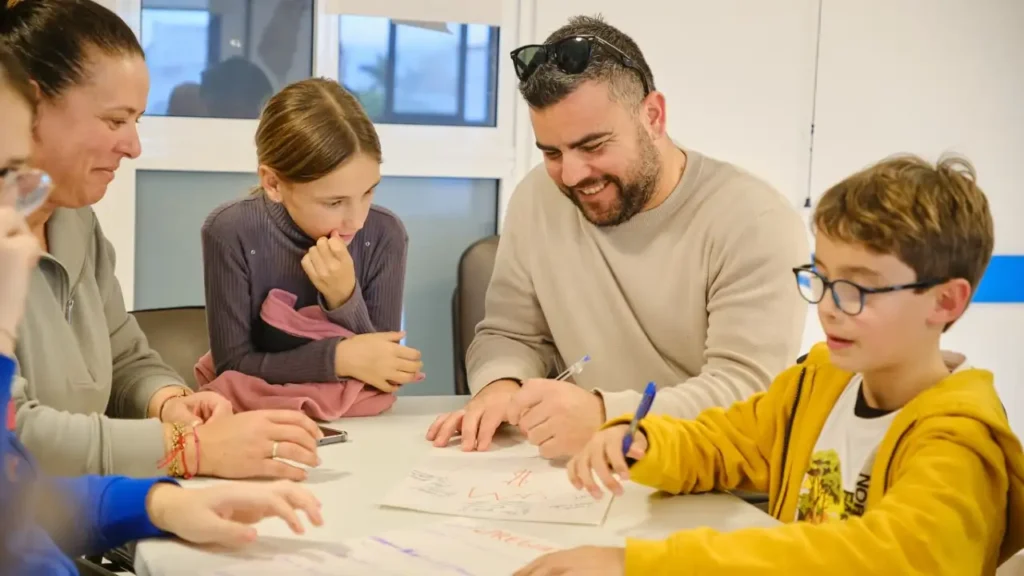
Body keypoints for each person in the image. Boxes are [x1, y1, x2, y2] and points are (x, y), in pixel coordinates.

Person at [519, 155, 1024, 575]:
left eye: (857, 287)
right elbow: (726, 442)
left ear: (945, 303)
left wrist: (639, 564)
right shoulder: (819, 381)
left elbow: (881, 559)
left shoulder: (960, 442)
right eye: (821, 278)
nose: (826, 306)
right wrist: (645, 442)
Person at [0, 42, 323, 576]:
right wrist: (186, 448)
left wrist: (169, 418)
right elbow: (27, 444)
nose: (133, 146)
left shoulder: (76, 224)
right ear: (39, 110)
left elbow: (16, 486)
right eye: (114, 119)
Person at [427, 15, 808, 458]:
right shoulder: (538, 196)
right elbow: (511, 333)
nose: (571, 175)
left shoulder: (754, 220)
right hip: (575, 472)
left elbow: (746, 396)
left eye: (593, 146)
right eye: (552, 152)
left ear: (653, 116)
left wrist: (608, 414)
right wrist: (501, 385)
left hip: (703, 481)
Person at [202, 77, 423, 392]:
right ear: (273, 184)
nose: (357, 220)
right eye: (334, 202)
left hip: (362, 425)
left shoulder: (384, 234)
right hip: (257, 424)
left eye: (368, 192)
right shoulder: (230, 231)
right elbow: (233, 366)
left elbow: (385, 372)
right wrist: (338, 358)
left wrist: (345, 298)